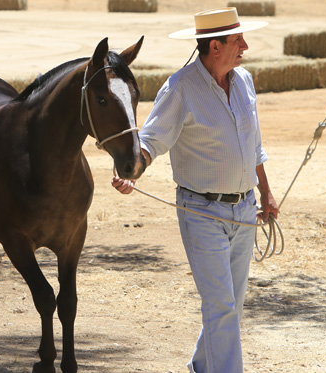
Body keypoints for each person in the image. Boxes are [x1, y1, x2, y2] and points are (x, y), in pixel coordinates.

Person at [111, 7, 279, 373]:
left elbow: (254, 146)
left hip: (245, 209)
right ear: (214, 47)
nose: (245, 46)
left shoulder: (245, 81)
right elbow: (151, 142)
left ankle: (201, 366)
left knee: (230, 303)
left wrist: (265, 193)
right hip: (202, 213)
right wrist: (132, 172)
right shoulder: (180, 89)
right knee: (221, 306)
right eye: (238, 40)